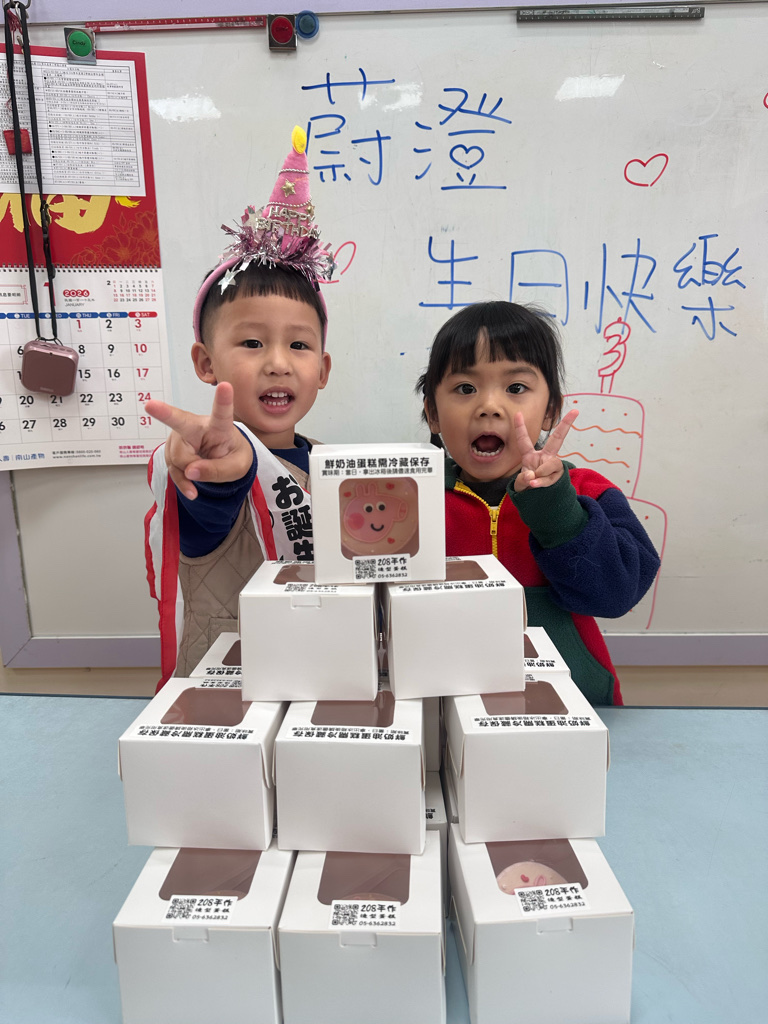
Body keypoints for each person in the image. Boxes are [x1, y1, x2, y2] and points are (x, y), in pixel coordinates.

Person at [144, 126, 335, 688]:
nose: (278, 363)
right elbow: (213, 500)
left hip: (318, 679)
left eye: (299, 345)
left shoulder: (335, 466)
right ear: (206, 364)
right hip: (226, 696)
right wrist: (211, 472)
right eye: (252, 342)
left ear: (323, 371)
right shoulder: (210, 460)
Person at [417, 301, 660, 706]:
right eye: (465, 388)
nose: (489, 406)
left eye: (515, 388)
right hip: (451, 709)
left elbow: (618, 594)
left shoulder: (586, 491)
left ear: (549, 412)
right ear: (433, 413)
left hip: (572, 707)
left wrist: (556, 510)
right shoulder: (412, 498)